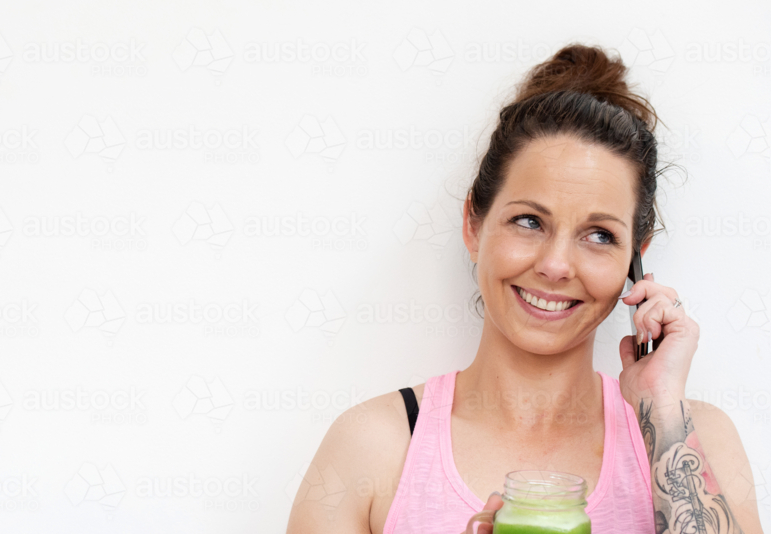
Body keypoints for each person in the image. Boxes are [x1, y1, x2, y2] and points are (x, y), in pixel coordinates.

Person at [285, 43, 764, 534]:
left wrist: (660, 408)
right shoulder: (371, 448)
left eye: (600, 235)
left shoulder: (695, 440)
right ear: (474, 224)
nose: (555, 266)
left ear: (634, 259)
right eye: (529, 221)